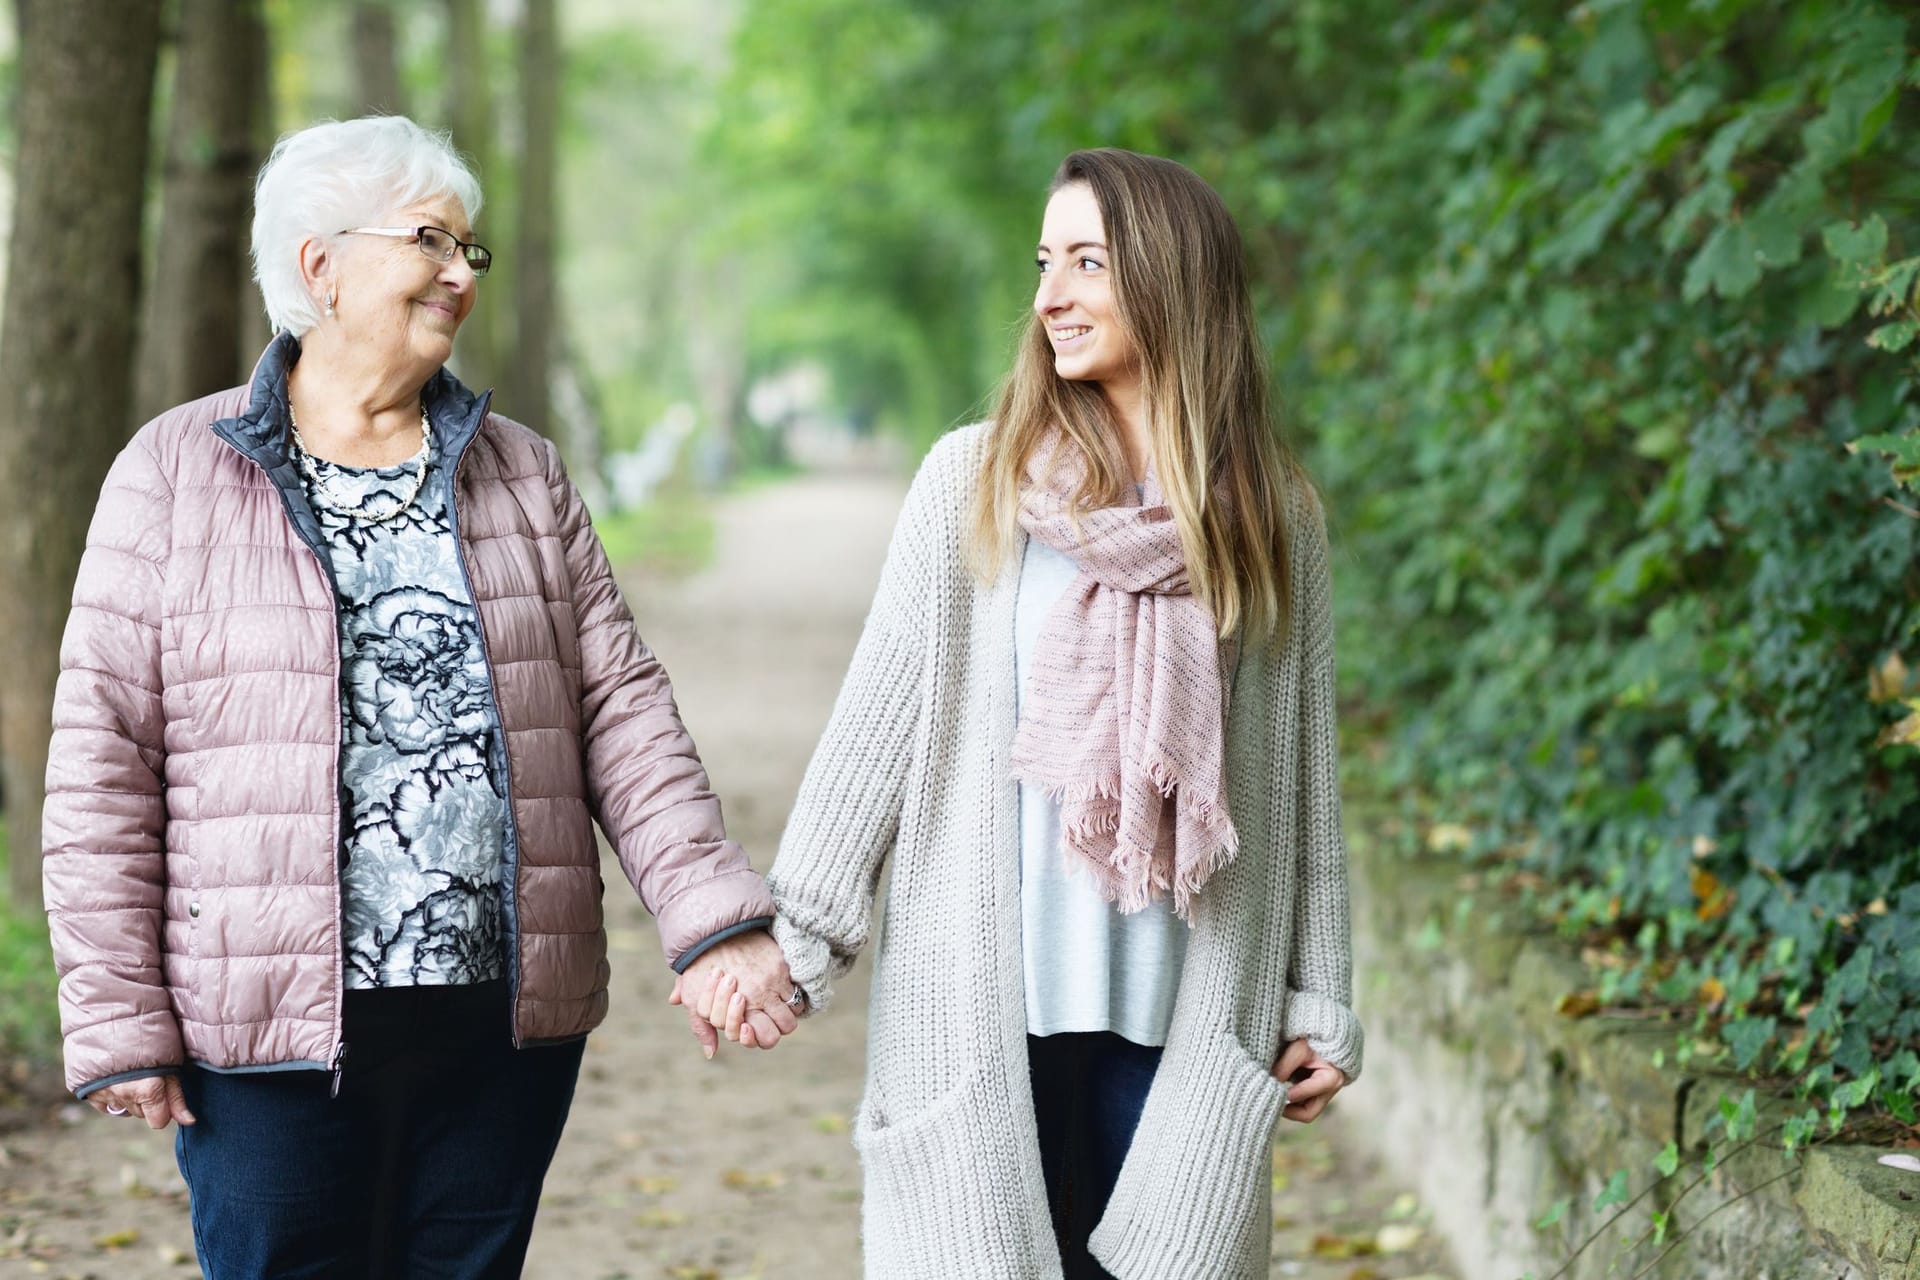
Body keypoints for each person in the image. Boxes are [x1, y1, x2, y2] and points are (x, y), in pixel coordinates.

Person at [42, 114, 799, 1280]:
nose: (461, 273)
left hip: (498, 1014)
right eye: (433, 241)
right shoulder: (173, 472)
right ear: (320, 264)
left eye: (472, 251)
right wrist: (118, 1017)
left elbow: (620, 712)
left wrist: (714, 920)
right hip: (266, 1022)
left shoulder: (524, 470)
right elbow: (101, 762)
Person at [757, 148, 1363, 1278]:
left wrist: (1318, 997)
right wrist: (793, 943)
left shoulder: (1274, 516)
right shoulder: (973, 482)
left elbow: (1298, 786)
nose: (1050, 296)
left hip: (1188, 1026)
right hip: (986, 1019)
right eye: (1046, 261)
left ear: (1173, 280)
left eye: (1088, 261)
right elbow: (874, 733)